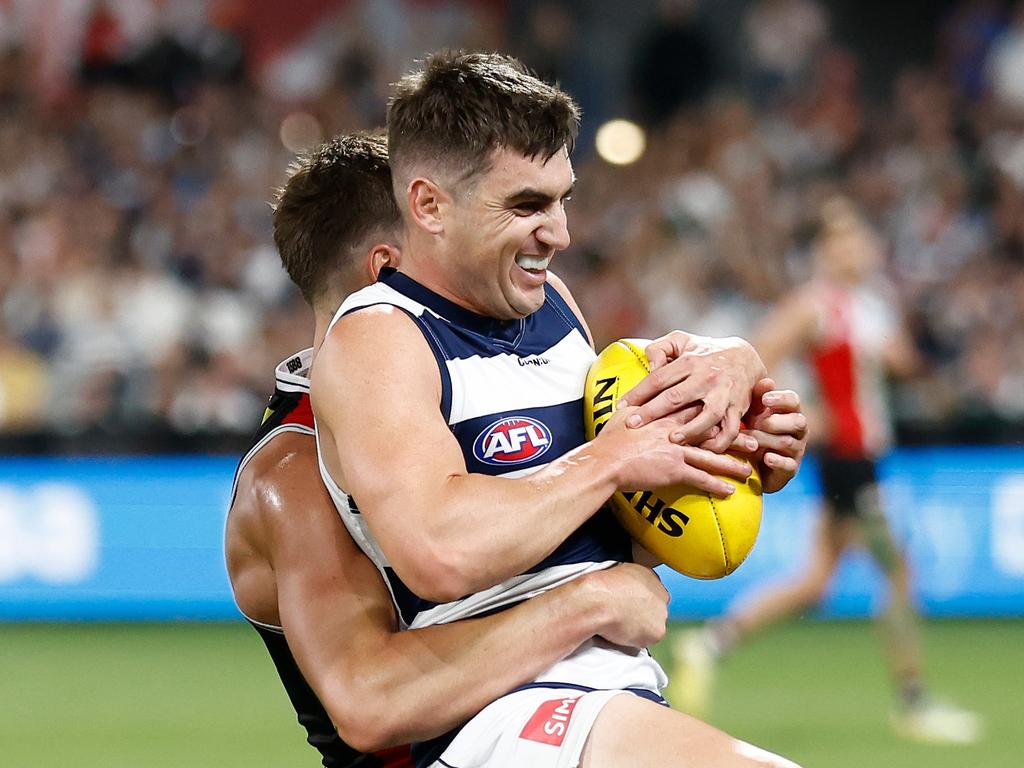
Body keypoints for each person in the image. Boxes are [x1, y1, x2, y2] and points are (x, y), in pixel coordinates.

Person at [225, 132, 801, 767]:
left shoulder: (477, 370)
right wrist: (587, 604)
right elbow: (372, 703)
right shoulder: (293, 472)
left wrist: (727, 445)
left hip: (566, 715)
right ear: (392, 270)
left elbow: (580, 539)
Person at [673, 198, 983, 745]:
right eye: (840, 240)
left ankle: (711, 643)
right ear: (822, 251)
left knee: (816, 582)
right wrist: (799, 409)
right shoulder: (815, 305)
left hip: (864, 458)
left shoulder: (867, 306)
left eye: (857, 237)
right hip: (847, 460)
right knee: (899, 572)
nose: (853, 248)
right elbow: (758, 353)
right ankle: (914, 702)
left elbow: (900, 363)